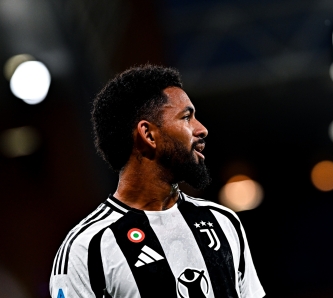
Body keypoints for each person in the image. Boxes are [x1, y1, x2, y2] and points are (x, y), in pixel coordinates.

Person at [49, 65, 265, 298]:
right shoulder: (87, 247)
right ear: (148, 134)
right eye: (186, 117)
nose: (202, 129)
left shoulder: (223, 222)